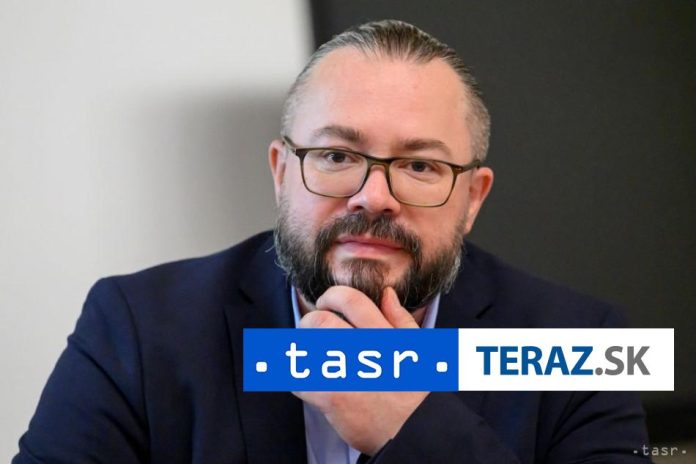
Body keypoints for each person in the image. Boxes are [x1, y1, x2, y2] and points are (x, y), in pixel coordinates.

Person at [14, 19, 649, 463]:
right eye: (338, 155)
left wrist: (412, 426)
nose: (374, 196)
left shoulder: (585, 348)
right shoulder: (135, 327)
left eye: (420, 165)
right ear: (280, 172)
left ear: (472, 199)